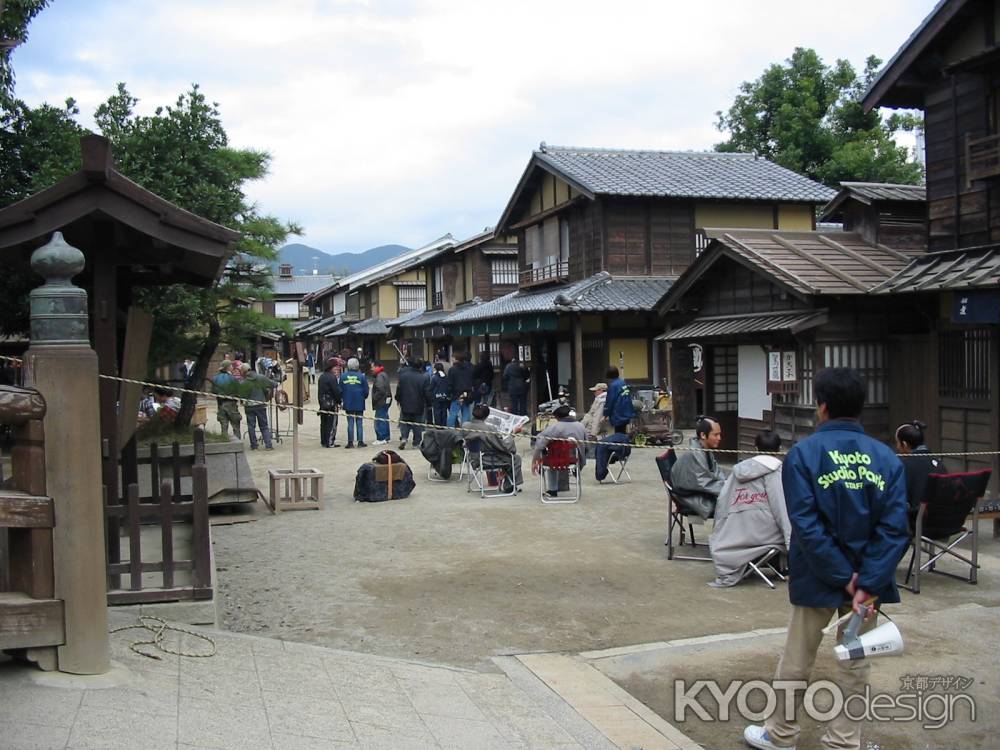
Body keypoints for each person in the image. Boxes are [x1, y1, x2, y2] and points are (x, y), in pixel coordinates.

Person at [743, 367, 909, 750]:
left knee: (798, 657)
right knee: (855, 662)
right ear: (861, 407)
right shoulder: (886, 458)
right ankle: (844, 741)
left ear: (822, 406)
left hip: (818, 576)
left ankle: (780, 733)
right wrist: (867, 581)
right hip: (868, 584)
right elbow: (895, 528)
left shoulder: (803, 454)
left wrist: (842, 575)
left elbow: (805, 524)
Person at [708, 430, 790, 587]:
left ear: (755, 448)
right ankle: (785, 567)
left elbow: (722, 503)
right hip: (763, 534)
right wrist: (791, 542)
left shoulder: (738, 470)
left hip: (733, 535)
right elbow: (781, 508)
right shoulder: (776, 472)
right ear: (779, 449)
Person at [895, 419, 947, 531]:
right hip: (946, 522)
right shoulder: (938, 463)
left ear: (904, 444)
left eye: (898, 443)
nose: (897, 447)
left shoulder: (904, 465)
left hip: (918, 523)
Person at [670, 416, 726, 519]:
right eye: (716, 435)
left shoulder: (703, 448)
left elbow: (716, 471)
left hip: (698, 492)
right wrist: (729, 487)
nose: (719, 438)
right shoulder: (694, 455)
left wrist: (727, 483)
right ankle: (722, 535)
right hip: (691, 498)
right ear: (703, 435)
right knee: (735, 505)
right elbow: (704, 483)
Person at [531, 404, 586, 498]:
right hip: (575, 459)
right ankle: (576, 473)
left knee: (550, 456)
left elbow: (540, 443)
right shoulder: (581, 426)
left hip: (556, 460)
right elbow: (587, 443)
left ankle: (552, 490)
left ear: (556, 417)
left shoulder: (555, 427)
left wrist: (535, 459)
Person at [462, 403, 524, 487]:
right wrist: (513, 434)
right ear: (486, 416)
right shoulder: (489, 429)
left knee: (505, 453)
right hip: (489, 460)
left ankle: (504, 479)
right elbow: (505, 447)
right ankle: (509, 485)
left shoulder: (465, 426)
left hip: (474, 458)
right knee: (515, 458)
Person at [239, 362, 279, 450]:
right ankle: (268, 445)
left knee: (251, 426)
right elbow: (273, 384)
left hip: (249, 407)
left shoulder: (243, 382)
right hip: (260, 405)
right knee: (264, 426)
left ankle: (254, 445)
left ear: (243, 372)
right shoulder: (261, 378)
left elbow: (241, 396)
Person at [395, 359, 430, 450]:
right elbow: (426, 392)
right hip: (419, 403)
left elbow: (399, 389)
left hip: (405, 402)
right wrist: (429, 403)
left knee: (404, 422)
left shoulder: (403, 376)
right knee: (417, 424)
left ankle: (404, 438)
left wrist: (398, 399)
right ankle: (416, 442)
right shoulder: (423, 377)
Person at [339, 357, 369, 448]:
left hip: (348, 402)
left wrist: (342, 398)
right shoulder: (362, 376)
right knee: (359, 422)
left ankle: (350, 442)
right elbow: (366, 391)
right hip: (359, 402)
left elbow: (340, 389)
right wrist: (363, 397)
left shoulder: (343, 376)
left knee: (350, 422)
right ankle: (360, 442)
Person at [211, 361, 242, 439]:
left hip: (220, 404)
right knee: (235, 424)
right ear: (227, 367)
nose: (232, 367)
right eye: (231, 365)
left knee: (224, 424)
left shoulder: (215, 378)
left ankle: (224, 439)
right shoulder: (232, 378)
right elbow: (238, 391)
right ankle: (237, 441)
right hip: (231, 403)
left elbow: (213, 391)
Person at [446, 351, 475, 427]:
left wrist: (448, 394)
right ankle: (465, 428)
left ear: (456, 359)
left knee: (453, 413)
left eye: (452, 358)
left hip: (457, 394)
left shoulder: (452, 369)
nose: (451, 359)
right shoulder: (469, 368)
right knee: (466, 412)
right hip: (467, 393)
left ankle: (450, 430)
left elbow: (450, 384)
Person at [603, 366, 636, 433]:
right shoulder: (622, 382)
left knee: (619, 434)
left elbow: (610, 401)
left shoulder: (613, 386)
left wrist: (605, 414)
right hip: (626, 411)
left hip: (619, 414)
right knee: (623, 432)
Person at [318, 358, 342, 448]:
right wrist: (339, 401)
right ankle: (330, 441)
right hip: (331, 403)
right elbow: (336, 391)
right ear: (332, 367)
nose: (337, 369)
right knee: (332, 423)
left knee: (323, 423)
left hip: (323, 403)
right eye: (336, 367)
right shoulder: (332, 378)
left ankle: (323, 440)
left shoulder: (322, 376)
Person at [371, 361, 392, 445]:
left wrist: (375, 398)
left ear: (377, 367)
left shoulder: (380, 376)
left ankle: (381, 437)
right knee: (384, 418)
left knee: (380, 419)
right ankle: (386, 437)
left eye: (372, 366)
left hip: (381, 401)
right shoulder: (384, 374)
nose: (371, 369)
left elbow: (381, 389)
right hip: (385, 400)